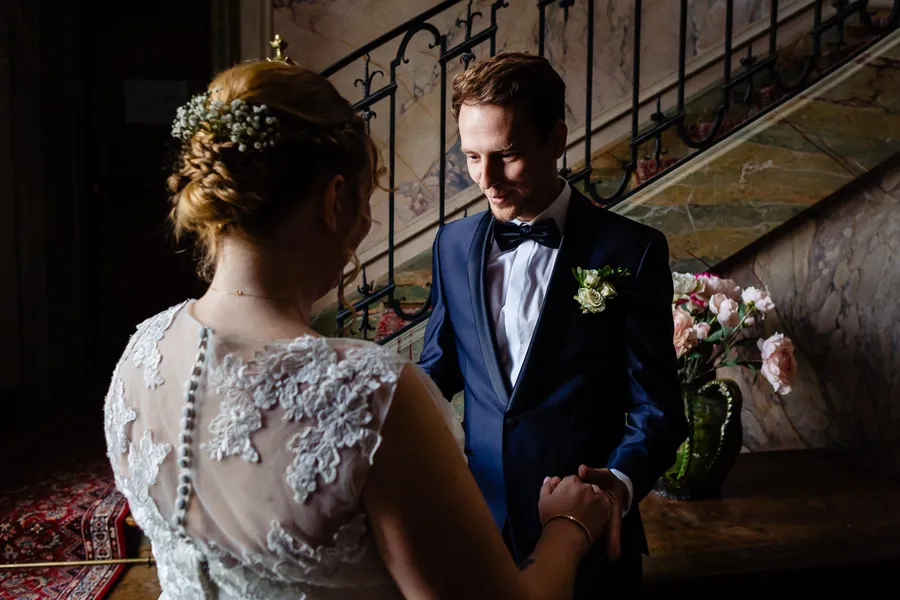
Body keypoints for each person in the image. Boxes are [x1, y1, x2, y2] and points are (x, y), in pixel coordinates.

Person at [103, 59, 615, 600]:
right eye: (366, 199)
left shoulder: (141, 356)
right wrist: (568, 527)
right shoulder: (373, 395)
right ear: (334, 201)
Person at [417, 52, 689, 597]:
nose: (487, 180)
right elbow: (435, 372)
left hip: (590, 541)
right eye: (472, 157)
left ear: (556, 139)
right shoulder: (451, 246)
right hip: (475, 533)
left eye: (507, 155)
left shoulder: (631, 251)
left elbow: (657, 411)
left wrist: (615, 487)